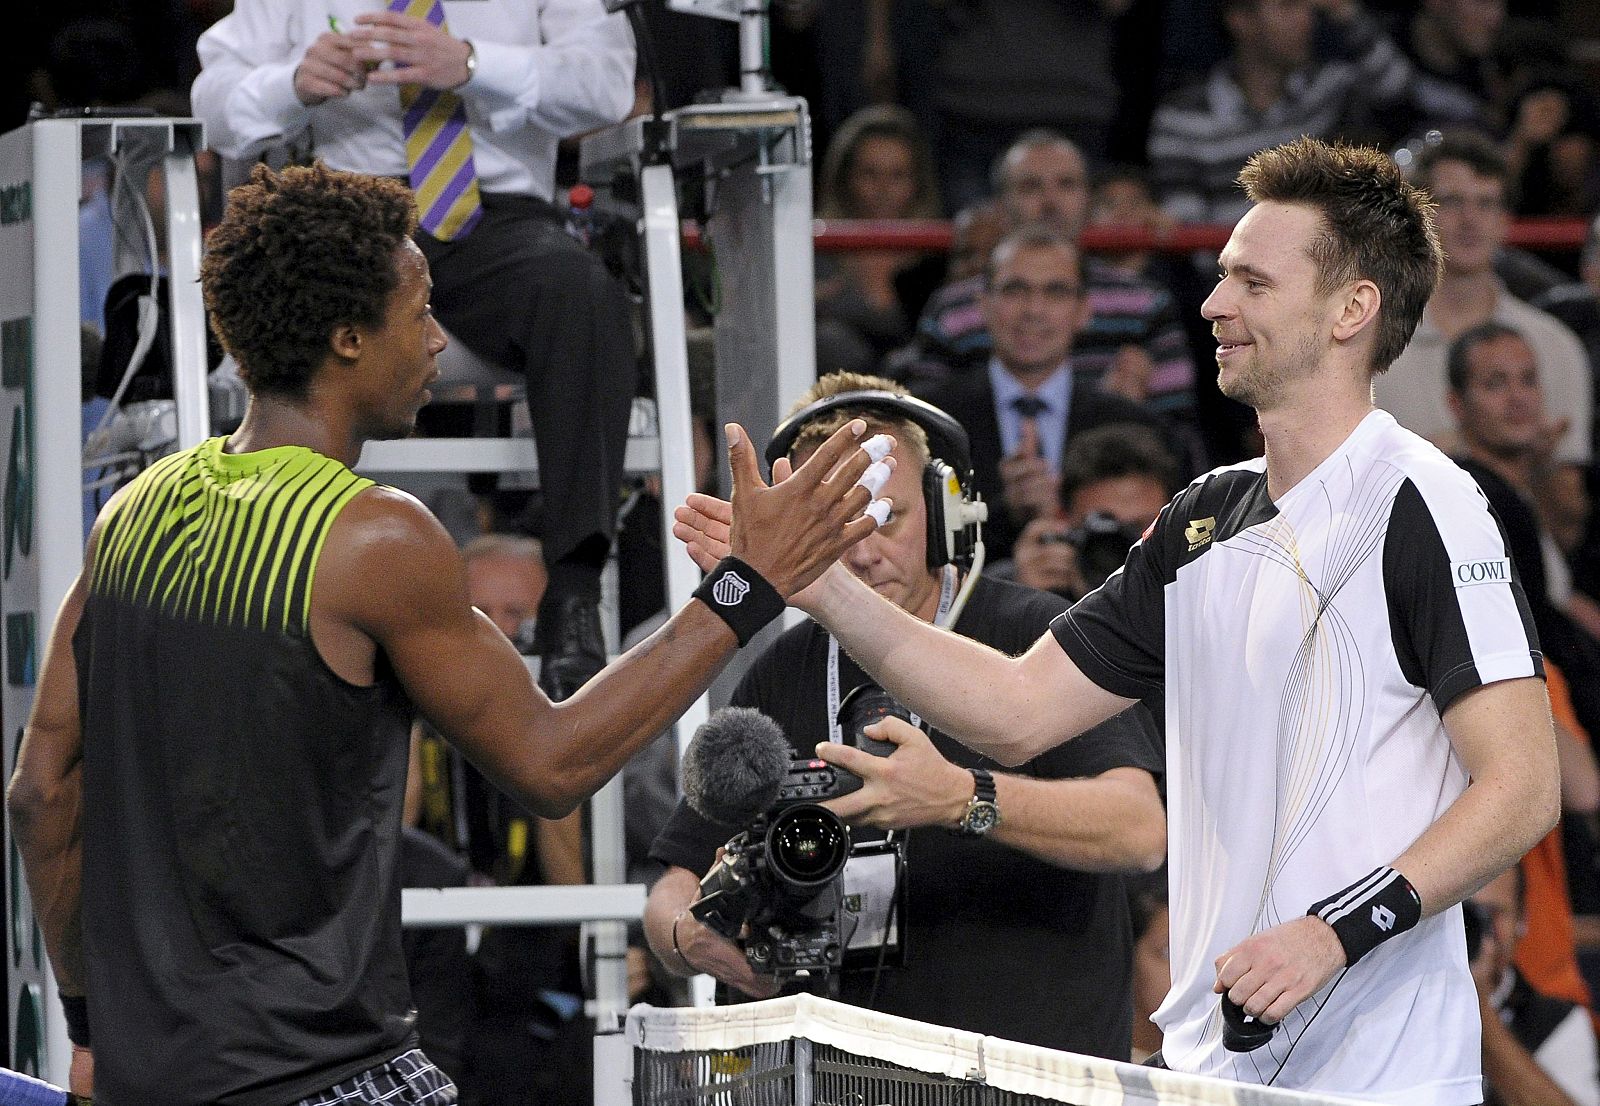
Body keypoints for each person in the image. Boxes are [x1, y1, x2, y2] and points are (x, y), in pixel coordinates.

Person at [675, 137, 1560, 1098]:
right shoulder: (1205, 515)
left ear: (1353, 310)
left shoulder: (1427, 501)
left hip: (1380, 1078)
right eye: (1221, 278)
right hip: (1210, 1069)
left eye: (1253, 284)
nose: (1215, 305)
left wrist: (1336, 932)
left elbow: (1520, 788)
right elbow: (1013, 710)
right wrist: (812, 581)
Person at [6, 163, 892, 1106]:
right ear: (348, 339)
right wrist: (744, 591)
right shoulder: (375, 536)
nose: (438, 341)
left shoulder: (131, 515)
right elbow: (551, 765)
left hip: (149, 1078)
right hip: (318, 1076)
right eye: (419, 311)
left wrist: (91, 1025)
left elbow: (39, 793)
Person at [645, 373, 1166, 1058]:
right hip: (844, 1081)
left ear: (945, 513)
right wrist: (693, 940)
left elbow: (1138, 831)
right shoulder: (784, 668)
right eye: (837, 526)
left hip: (1034, 1079)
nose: (863, 550)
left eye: (886, 517)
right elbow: (670, 886)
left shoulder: (1038, 633)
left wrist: (962, 798)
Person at [191, 0, 640, 701]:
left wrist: (473, 66)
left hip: (499, 218)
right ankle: (282, 585)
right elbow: (212, 98)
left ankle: (575, 598)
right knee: (290, 296)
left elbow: (607, 82)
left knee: (582, 293)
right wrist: (293, 84)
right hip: (350, 208)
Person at [1375, 133, 1593, 561]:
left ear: (1504, 220)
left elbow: (1569, 531)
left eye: (1487, 203)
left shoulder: (1554, 346)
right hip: (1397, 582)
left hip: (1530, 594)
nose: (1470, 220)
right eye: (1452, 202)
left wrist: (1542, 467)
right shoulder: (1372, 347)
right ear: (1417, 217)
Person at [918, 226, 1172, 563]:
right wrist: (1003, 510)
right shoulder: (930, 421)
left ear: (1084, 310)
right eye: (1015, 289)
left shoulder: (1132, 423)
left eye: (1055, 291)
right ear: (984, 305)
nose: (1034, 309)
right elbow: (917, 543)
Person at [907, 132, 1196, 424]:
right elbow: (921, 426)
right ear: (1000, 206)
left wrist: (1128, 418)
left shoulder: (1146, 305)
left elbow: (1180, 435)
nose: (1050, 202)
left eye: (1066, 185)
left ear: (1088, 200)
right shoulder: (952, 310)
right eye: (1031, 187)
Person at [1145, 0, 1471, 227]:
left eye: (1308, 7)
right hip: (1226, 282)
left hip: (1321, 276)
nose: (1305, 19)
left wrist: (1348, 13)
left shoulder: (1329, 89)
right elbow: (1187, 229)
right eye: (1287, 6)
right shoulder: (1181, 119)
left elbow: (1400, 90)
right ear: (1240, 20)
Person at [814, 105, 943, 376]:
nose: (883, 190)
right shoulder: (816, 249)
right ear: (845, 178)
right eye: (869, 174)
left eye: (897, 175)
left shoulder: (938, 255)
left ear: (917, 182)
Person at [1470, 866, 1600, 1106]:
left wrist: (1478, 1015)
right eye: (1465, 915)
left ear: (1522, 920)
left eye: (1491, 914)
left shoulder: (1554, 1019)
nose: (1475, 929)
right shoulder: (1404, 1000)